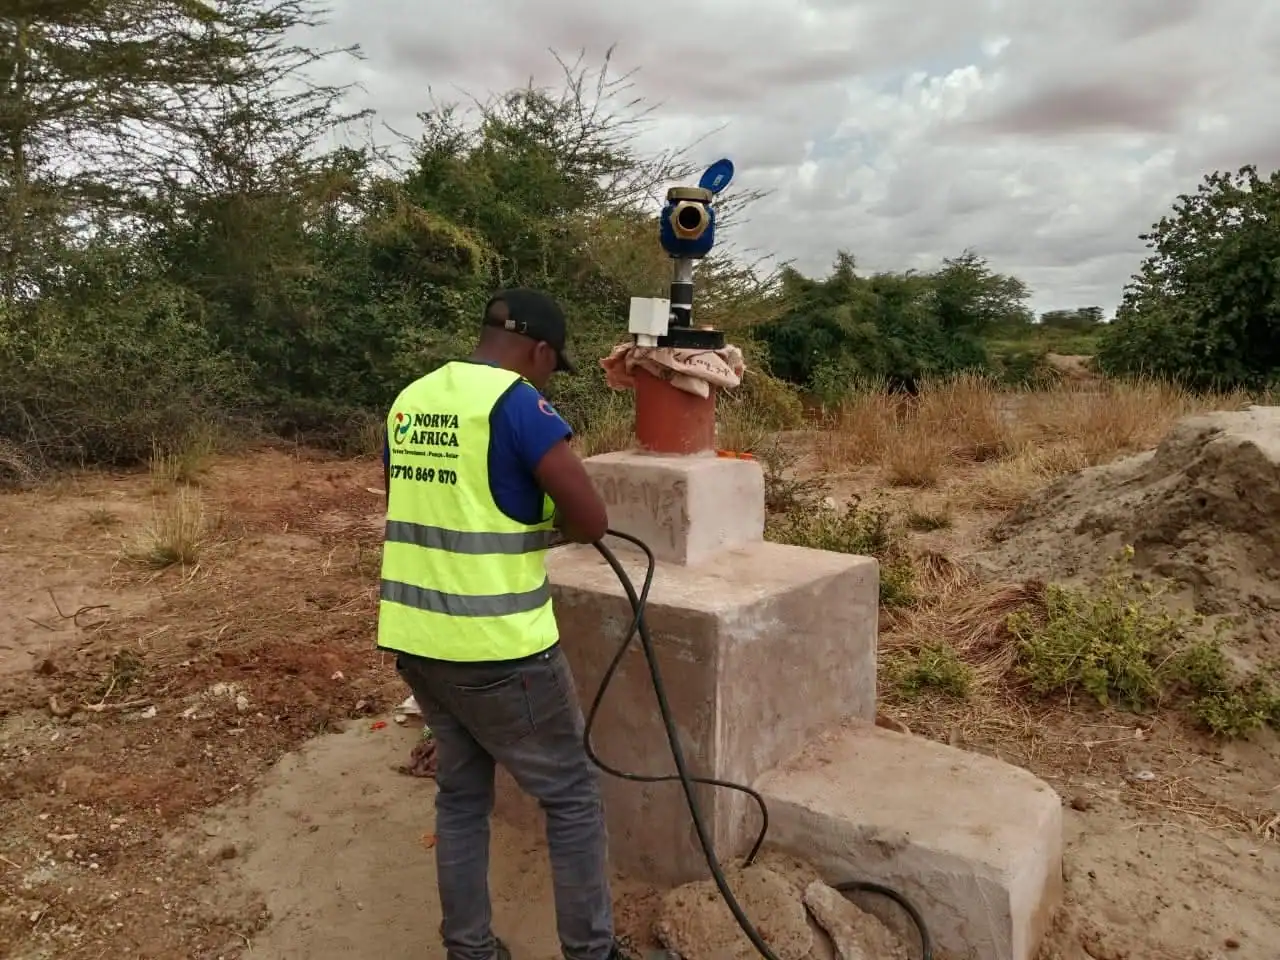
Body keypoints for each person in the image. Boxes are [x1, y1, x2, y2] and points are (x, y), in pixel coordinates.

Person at [377, 289, 625, 960]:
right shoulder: (517, 405)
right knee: (571, 798)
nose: (548, 376)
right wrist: (556, 524)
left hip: (418, 642)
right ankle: (592, 954)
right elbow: (591, 521)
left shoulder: (413, 399)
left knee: (461, 797)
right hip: (499, 651)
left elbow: (438, 497)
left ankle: (469, 949)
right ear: (539, 351)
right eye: (552, 364)